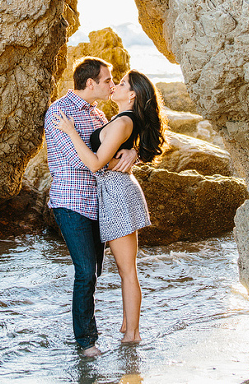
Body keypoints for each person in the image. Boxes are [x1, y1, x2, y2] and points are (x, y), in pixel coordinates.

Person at [53, 69, 164, 346]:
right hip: (112, 192)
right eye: (112, 81)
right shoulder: (115, 119)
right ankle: (129, 324)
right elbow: (118, 149)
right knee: (124, 269)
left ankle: (132, 334)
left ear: (133, 94)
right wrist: (133, 151)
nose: (115, 86)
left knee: (127, 271)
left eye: (121, 83)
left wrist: (70, 132)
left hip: (116, 194)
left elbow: (94, 163)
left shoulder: (121, 121)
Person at [43, 56, 138, 358]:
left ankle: (89, 331)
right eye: (108, 80)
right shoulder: (60, 112)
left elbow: (113, 142)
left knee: (94, 272)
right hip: (70, 202)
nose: (112, 85)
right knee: (85, 271)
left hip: (98, 204)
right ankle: (87, 342)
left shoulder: (98, 116)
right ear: (90, 83)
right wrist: (113, 159)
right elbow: (82, 162)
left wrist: (131, 151)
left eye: (114, 81)